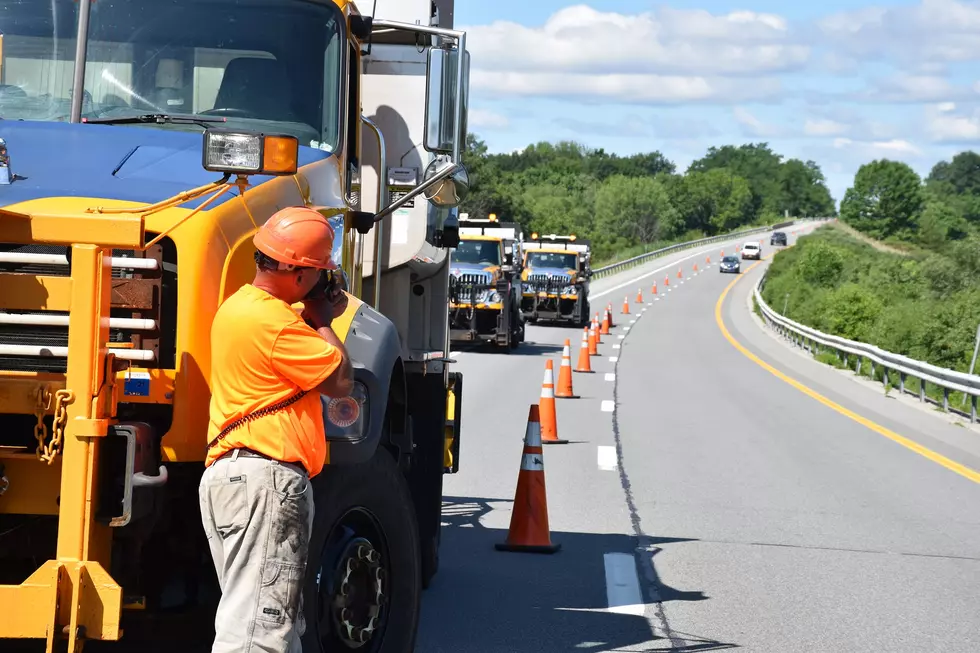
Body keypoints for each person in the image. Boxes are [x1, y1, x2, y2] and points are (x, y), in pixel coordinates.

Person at [198, 206, 354, 653]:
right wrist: (322, 317)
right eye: (320, 272)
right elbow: (339, 380)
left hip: (235, 479)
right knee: (257, 634)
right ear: (301, 273)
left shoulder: (239, 308)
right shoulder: (277, 324)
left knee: (263, 620)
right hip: (264, 482)